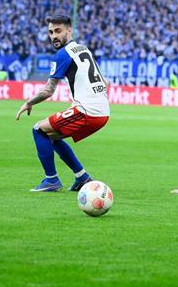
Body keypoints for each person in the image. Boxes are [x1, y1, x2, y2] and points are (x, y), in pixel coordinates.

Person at [15, 14, 110, 192]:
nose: (54, 36)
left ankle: (51, 180)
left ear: (69, 30)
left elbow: (48, 90)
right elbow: (105, 83)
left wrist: (28, 103)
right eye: (50, 32)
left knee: (38, 130)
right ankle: (82, 177)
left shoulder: (63, 54)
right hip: (102, 112)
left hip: (87, 112)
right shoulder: (83, 49)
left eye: (58, 31)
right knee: (52, 135)